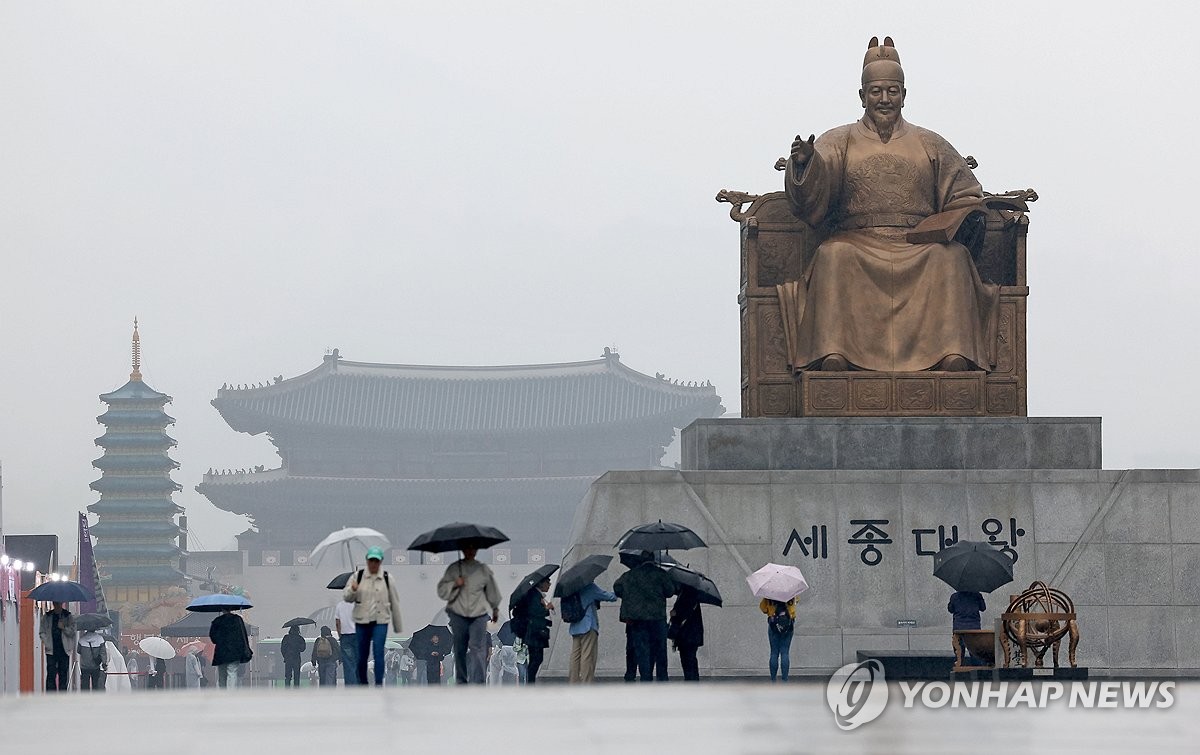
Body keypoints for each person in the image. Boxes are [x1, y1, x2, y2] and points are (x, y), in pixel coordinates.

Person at [783, 37, 998, 374]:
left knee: (952, 258)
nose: (884, 99)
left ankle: (952, 353)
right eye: (876, 91)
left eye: (892, 91)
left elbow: (965, 191)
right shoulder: (839, 140)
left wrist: (963, 213)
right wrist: (805, 165)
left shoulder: (931, 143)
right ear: (862, 95)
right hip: (857, 239)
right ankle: (835, 353)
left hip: (917, 243)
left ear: (904, 95)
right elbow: (813, 194)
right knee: (833, 256)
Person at [436, 547, 501, 685]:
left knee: (477, 649)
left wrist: (495, 609)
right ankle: (462, 680)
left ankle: (478, 680)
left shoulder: (482, 569)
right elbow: (442, 591)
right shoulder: (454, 569)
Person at [343, 546, 403, 686]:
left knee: (378, 652)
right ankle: (363, 682)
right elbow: (347, 597)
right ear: (367, 561)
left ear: (380, 561)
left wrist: (397, 625)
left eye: (376, 561)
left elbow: (395, 601)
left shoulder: (387, 579)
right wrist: (353, 589)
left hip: (380, 621)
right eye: (371, 560)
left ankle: (378, 683)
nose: (374, 564)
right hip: (362, 621)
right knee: (362, 654)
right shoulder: (357, 577)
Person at [613, 559, 677, 682]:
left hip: (638, 620)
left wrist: (631, 595)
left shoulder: (630, 574)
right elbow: (670, 591)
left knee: (642, 650)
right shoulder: (660, 574)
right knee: (660, 650)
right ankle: (662, 677)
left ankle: (645, 678)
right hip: (657, 618)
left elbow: (617, 588)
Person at [564, 580, 617, 684]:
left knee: (575, 656)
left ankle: (573, 682)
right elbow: (608, 596)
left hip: (575, 626)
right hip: (588, 626)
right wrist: (619, 593)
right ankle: (586, 683)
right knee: (587, 656)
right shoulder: (589, 586)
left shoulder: (570, 587)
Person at [511, 578, 553, 684]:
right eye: (548, 582)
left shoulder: (536, 595)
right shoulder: (535, 595)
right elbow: (535, 613)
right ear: (541, 583)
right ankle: (530, 683)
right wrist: (547, 608)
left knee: (536, 659)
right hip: (534, 633)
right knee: (536, 659)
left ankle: (530, 683)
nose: (549, 584)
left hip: (534, 632)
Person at [209, 606, 252, 689]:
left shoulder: (217, 621)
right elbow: (243, 635)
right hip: (234, 652)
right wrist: (245, 648)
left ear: (222, 609)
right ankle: (231, 692)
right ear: (231, 609)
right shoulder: (237, 620)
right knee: (232, 672)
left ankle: (223, 692)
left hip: (221, 652)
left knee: (222, 674)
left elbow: (213, 638)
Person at [668, 586, 704, 682]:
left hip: (687, 634)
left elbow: (683, 613)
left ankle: (691, 681)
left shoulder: (687, 594)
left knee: (687, 659)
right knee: (689, 658)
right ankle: (692, 680)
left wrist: (675, 613)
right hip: (690, 634)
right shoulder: (690, 593)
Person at [39, 602, 75, 692]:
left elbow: (72, 632)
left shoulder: (68, 616)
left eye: (58, 603)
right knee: (51, 673)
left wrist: (63, 627)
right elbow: (42, 632)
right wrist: (46, 642)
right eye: (55, 603)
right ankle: (51, 695)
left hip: (64, 649)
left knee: (63, 673)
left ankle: (62, 695)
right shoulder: (47, 616)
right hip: (51, 649)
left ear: (61, 603)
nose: (57, 605)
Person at [760, 597, 796, 682]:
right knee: (785, 652)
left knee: (774, 652)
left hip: (773, 623)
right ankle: (785, 680)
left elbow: (763, 608)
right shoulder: (791, 592)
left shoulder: (769, 594)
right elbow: (796, 600)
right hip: (788, 623)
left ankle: (773, 680)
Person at [947, 590, 987, 664]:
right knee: (975, 654)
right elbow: (983, 608)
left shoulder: (955, 596)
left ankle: (959, 670)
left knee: (959, 654)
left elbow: (950, 609)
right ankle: (976, 672)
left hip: (959, 628)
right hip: (974, 628)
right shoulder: (977, 595)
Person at [334, 595, 359, 686]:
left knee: (348, 662)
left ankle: (350, 685)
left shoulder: (340, 605)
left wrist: (340, 635)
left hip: (345, 637)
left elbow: (337, 623)